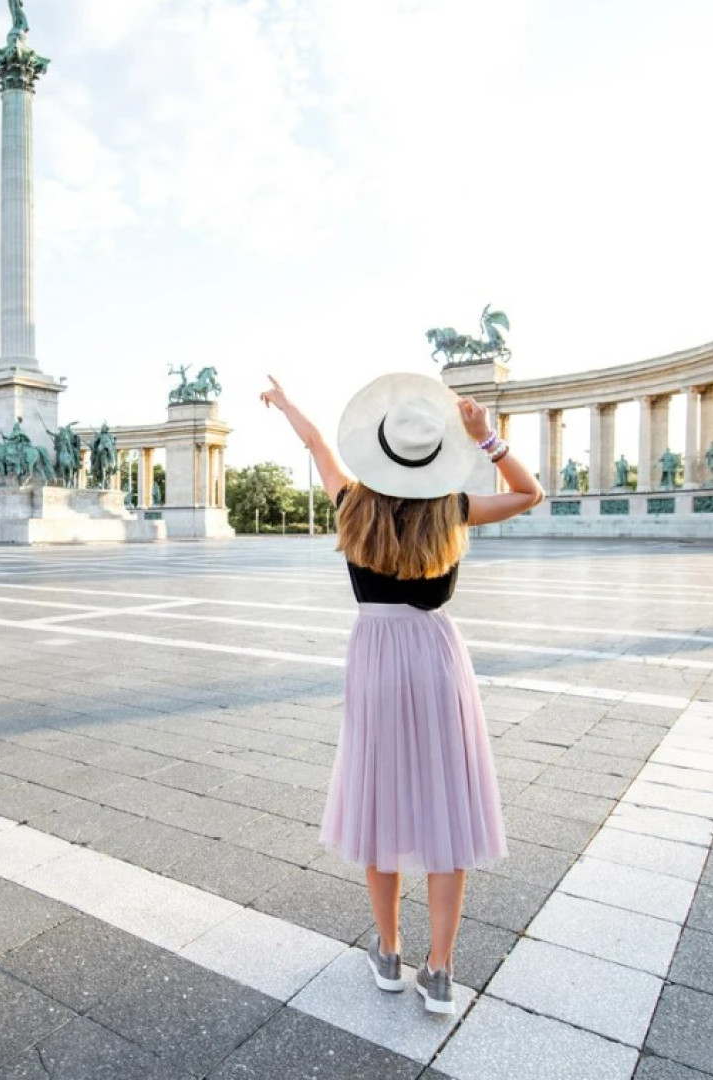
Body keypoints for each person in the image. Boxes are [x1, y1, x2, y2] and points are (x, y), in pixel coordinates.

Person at [261, 372, 543, 1015]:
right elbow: (532, 493)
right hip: (437, 655)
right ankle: (440, 971)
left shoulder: (351, 504)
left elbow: (314, 445)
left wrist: (285, 403)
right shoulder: (455, 508)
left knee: (379, 799)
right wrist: (488, 439)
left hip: (375, 654)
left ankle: (389, 953)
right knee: (446, 802)